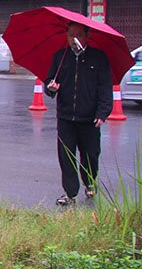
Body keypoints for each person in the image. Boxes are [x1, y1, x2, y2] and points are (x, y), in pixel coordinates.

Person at [44, 22, 112, 207]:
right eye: (70, 36)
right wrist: (50, 88)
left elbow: (105, 88)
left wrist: (103, 112)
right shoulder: (60, 57)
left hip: (90, 119)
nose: (75, 40)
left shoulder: (98, 58)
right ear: (66, 36)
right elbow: (49, 81)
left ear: (87, 36)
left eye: (79, 35)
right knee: (66, 156)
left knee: (91, 154)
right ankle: (70, 192)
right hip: (66, 117)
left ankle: (89, 181)